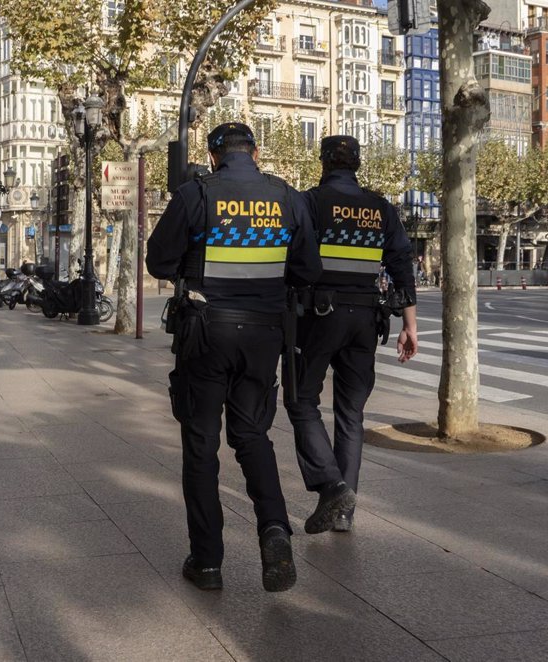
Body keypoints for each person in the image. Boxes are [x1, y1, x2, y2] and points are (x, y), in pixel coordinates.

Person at [146, 122, 322, 593]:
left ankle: (207, 562)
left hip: (205, 332)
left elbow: (158, 261)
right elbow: (308, 270)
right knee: (252, 436)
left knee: (201, 445)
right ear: (256, 152)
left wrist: (193, 263)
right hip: (264, 334)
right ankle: (275, 529)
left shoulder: (196, 194)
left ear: (213, 153)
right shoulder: (288, 197)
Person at [284, 135, 418, 535]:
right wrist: (410, 324)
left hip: (317, 316)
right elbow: (401, 267)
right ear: (358, 163)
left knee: (301, 399)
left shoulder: (308, 202)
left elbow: (291, 256)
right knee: (351, 414)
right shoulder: (381, 208)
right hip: (366, 319)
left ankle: (333, 484)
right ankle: (344, 513)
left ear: (323, 162)